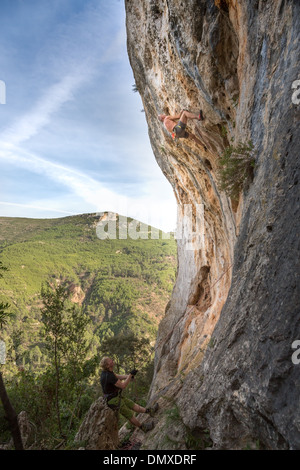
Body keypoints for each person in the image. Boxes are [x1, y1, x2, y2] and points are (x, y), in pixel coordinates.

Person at [100, 357, 158, 433]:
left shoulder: (108, 372)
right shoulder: (109, 376)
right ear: (108, 365)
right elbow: (123, 386)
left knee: (132, 405)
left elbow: (118, 377)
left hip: (115, 397)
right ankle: (143, 428)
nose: (112, 360)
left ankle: (150, 411)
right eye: (110, 361)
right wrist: (130, 375)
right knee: (129, 415)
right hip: (113, 400)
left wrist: (129, 376)